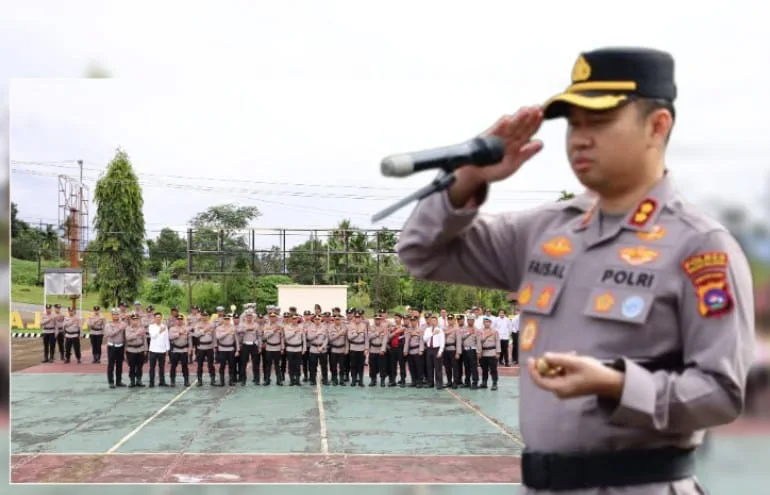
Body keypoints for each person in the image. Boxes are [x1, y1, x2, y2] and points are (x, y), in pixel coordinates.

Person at [396, 47, 755, 493]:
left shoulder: (699, 246)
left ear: (657, 126)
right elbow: (421, 254)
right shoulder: (543, 231)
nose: (580, 139)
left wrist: (618, 385)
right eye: (574, 124)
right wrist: (469, 177)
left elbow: (722, 393)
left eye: (599, 122)